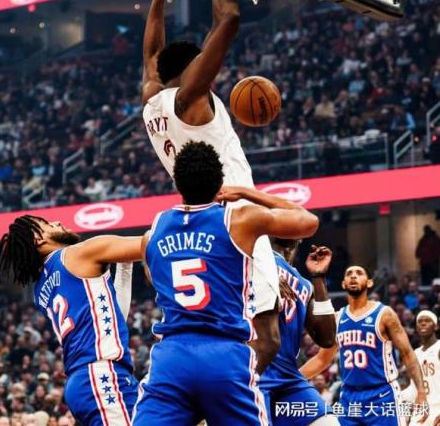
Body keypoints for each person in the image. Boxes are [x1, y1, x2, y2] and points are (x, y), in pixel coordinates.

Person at [132, 141, 319, 425]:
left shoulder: (152, 233)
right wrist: (245, 192)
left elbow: (155, 278)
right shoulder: (239, 220)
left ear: (177, 184)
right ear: (220, 183)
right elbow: (308, 221)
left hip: (171, 357)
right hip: (225, 355)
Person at [142, 0, 280, 326]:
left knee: (228, 319)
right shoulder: (190, 99)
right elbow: (229, 18)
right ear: (193, 68)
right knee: (266, 331)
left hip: (201, 218)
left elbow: (153, 51)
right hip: (237, 208)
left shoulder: (152, 98)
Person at [0, 217, 143, 425]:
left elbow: (114, 317)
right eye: (47, 224)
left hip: (84, 381)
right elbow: (152, 243)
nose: (56, 222)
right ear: (38, 239)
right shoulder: (78, 254)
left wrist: (125, 266)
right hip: (101, 376)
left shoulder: (41, 291)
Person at [300, 265, 428, 426]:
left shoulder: (384, 314)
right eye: (349, 274)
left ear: (369, 283)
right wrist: (291, 379)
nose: (353, 276)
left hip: (382, 395)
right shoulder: (337, 318)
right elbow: (322, 359)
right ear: (343, 284)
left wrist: (421, 392)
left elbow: (407, 353)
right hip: (349, 398)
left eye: (359, 273)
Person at [259, 239, 339, 426]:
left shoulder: (304, 284)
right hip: (253, 370)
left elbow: (327, 339)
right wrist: (261, 274)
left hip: (287, 376)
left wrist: (319, 278)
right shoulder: (248, 259)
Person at [402, 311, 440, 426]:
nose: (423, 323)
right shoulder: (415, 354)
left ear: (436, 326)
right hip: (421, 410)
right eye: (420, 321)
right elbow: (413, 387)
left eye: (427, 321)